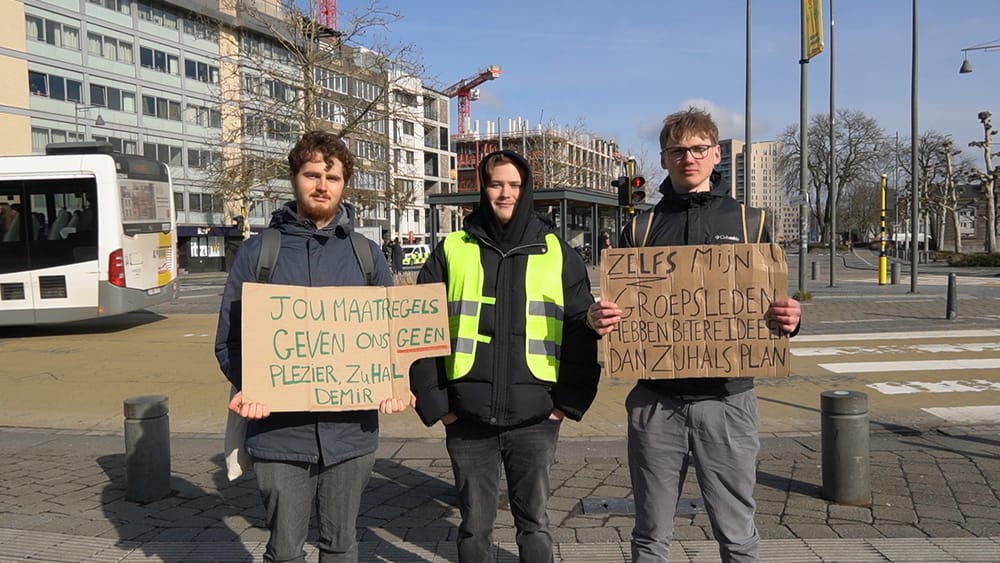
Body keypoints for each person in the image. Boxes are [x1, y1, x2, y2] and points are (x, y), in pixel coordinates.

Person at [587, 108, 802, 563]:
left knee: (737, 532)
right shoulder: (640, 228)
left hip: (728, 400)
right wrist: (599, 319)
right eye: (677, 151)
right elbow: (621, 310)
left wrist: (790, 319)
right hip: (655, 401)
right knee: (650, 534)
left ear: (716, 154)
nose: (689, 158)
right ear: (663, 159)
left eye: (699, 149)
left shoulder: (751, 222)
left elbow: (772, 309)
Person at [215, 130, 408, 563]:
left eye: (333, 177)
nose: (322, 185)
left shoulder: (367, 255)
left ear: (344, 184)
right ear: (294, 178)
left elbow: (392, 336)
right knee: (284, 550)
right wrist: (252, 386)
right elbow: (230, 339)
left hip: (350, 433)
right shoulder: (258, 253)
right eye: (312, 174)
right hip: (278, 432)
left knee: (341, 545)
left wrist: (396, 382)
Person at [409, 150, 601, 562]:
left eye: (514, 184)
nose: (505, 192)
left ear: (527, 188)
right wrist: (438, 405)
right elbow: (420, 330)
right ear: (483, 187)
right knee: (474, 530)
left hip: (536, 417)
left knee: (534, 527)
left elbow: (580, 332)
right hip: (466, 418)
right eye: (496, 183)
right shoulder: (452, 249)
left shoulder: (557, 252)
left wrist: (566, 405)